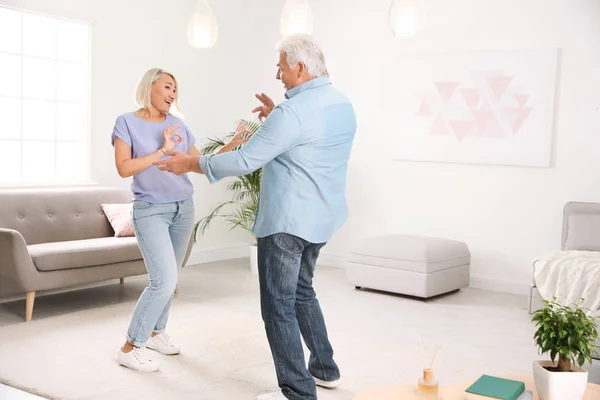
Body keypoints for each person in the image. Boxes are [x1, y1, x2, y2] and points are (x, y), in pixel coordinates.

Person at [154, 34, 356, 399]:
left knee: (278, 305)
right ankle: (325, 369)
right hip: (322, 218)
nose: (278, 75)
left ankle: (298, 392)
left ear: (299, 67)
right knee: (303, 291)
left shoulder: (291, 113)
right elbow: (306, 142)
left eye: (281, 67)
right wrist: (273, 119)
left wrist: (191, 162)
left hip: (286, 223)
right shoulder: (341, 104)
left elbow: (246, 159)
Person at [112, 68, 249, 373]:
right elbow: (124, 168)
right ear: (150, 87)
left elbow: (199, 164)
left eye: (176, 90)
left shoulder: (178, 125)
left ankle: (157, 333)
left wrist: (234, 144)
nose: (173, 94)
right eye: (168, 87)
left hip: (182, 209)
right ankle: (130, 346)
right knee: (163, 281)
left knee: (171, 279)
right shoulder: (127, 122)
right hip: (150, 210)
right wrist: (161, 150)